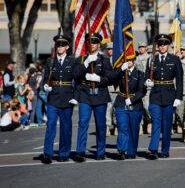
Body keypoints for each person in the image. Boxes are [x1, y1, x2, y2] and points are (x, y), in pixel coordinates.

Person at [73, 33, 125, 162]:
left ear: (98, 44)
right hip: (85, 94)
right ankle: (80, 152)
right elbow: (75, 75)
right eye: (90, 42)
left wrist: (99, 79)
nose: (92, 45)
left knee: (101, 125)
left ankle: (100, 152)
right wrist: (86, 63)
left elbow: (111, 78)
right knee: (83, 123)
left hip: (100, 94)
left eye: (95, 42)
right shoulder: (81, 59)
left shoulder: (104, 60)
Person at [145, 34, 183, 160]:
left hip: (169, 95)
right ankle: (153, 149)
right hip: (155, 95)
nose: (162, 47)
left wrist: (178, 97)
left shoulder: (175, 59)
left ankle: (165, 149)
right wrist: (147, 81)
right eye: (160, 44)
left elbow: (180, 80)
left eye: (164, 44)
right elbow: (146, 76)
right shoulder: (152, 59)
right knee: (156, 122)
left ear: (168, 46)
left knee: (167, 125)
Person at [41, 34, 78, 164]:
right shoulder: (50, 61)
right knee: (50, 125)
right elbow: (46, 77)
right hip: (53, 97)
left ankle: (64, 153)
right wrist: (45, 85)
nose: (60, 47)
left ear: (67, 47)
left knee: (66, 127)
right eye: (58, 45)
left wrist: (76, 96)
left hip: (67, 97)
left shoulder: (72, 61)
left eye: (62, 45)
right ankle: (48, 154)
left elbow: (77, 80)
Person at [114, 56, 146, 160]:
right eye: (127, 60)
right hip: (121, 101)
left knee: (134, 128)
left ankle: (131, 151)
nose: (129, 62)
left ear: (134, 61)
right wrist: (120, 70)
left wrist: (132, 100)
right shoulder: (121, 72)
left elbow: (142, 91)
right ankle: (122, 150)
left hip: (135, 104)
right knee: (122, 127)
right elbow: (111, 77)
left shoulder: (140, 74)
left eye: (130, 60)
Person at [135, 41, 151, 134]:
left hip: (147, 86)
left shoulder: (150, 59)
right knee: (138, 107)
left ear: (146, 48)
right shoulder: (135, 59)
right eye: (140, 47)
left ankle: (149, 122)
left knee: (147, 106)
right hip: (138, 86)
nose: (141, 48)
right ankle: (140, 125)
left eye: (143, 47)